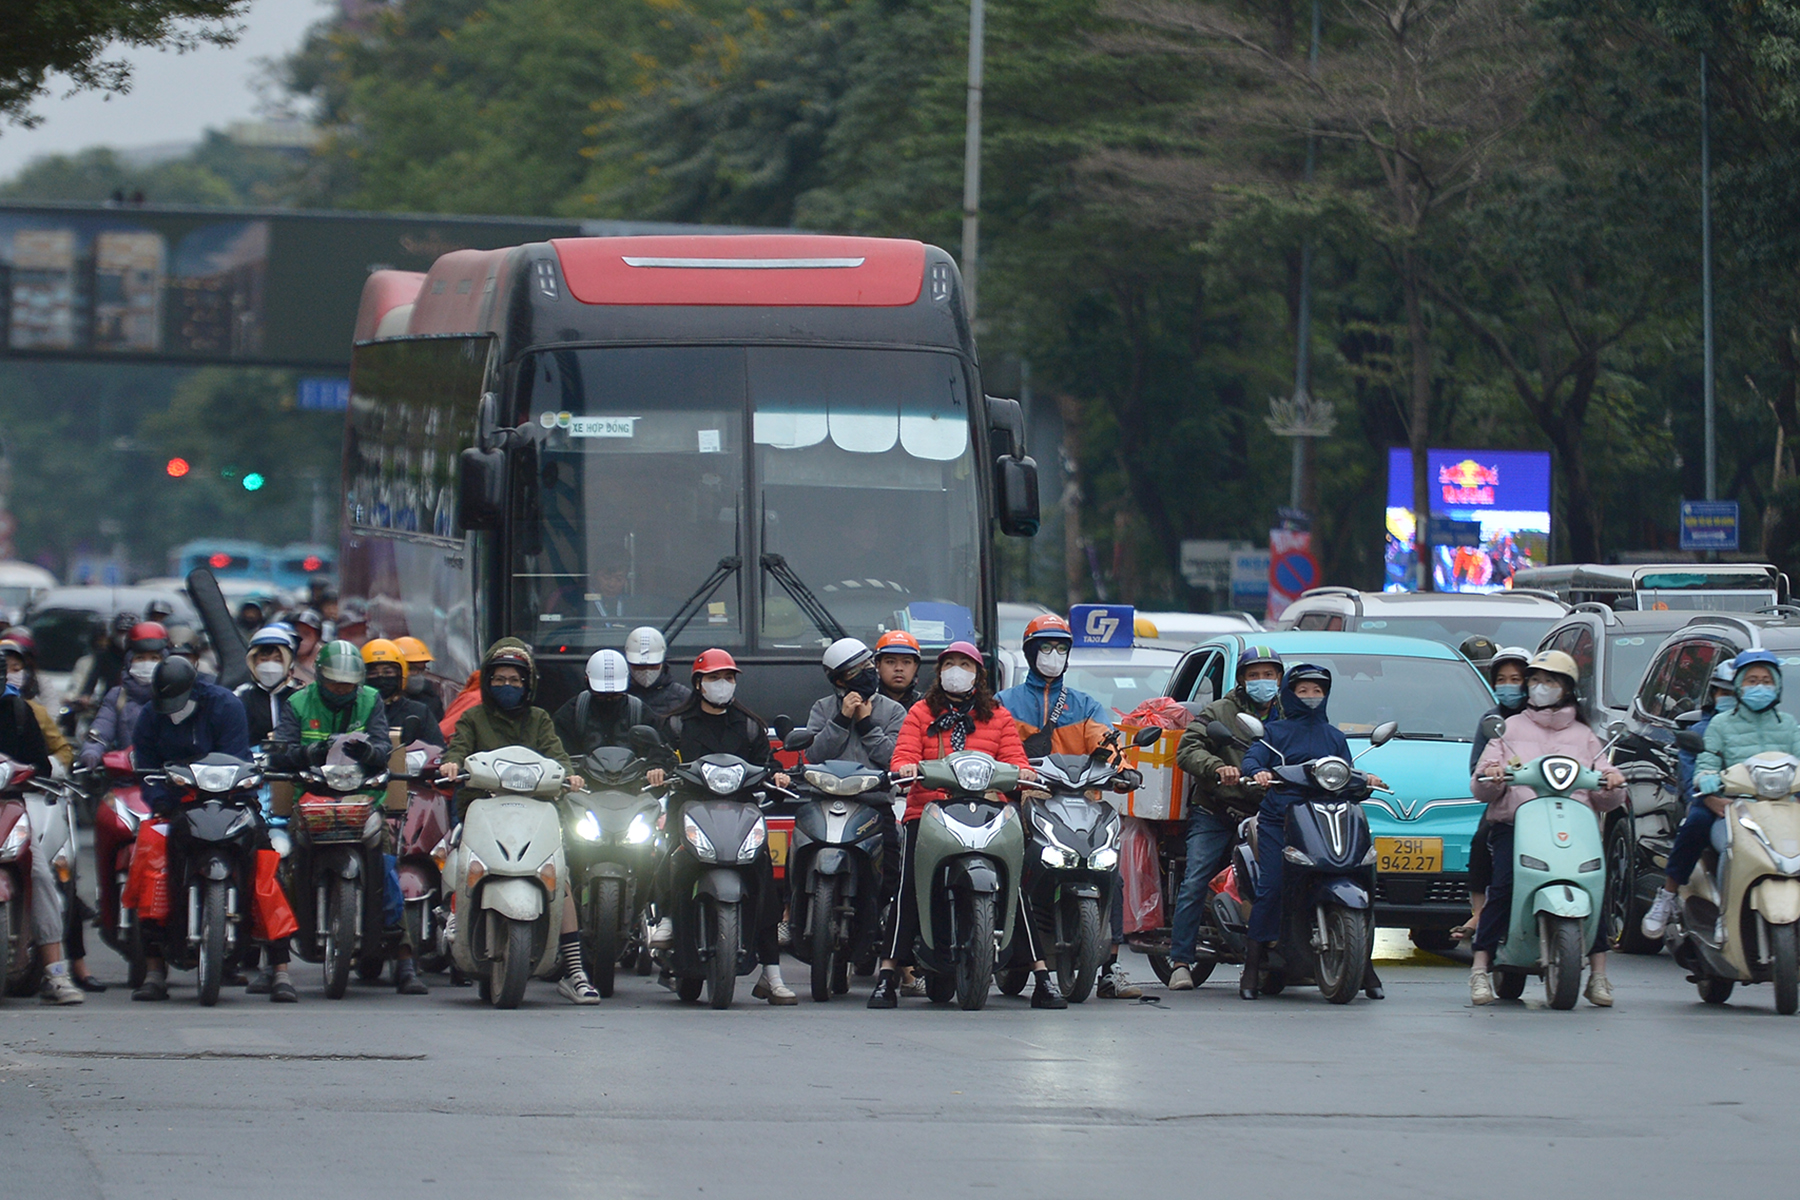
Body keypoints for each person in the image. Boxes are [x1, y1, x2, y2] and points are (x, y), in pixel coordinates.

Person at [868, 642, 1067, 1009]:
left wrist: (1023, 773)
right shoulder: (920, 713)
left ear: (979, 675)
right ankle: (887, 973)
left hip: (989, 812)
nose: (956, 671)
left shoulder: (998, 716)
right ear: (939, 672)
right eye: (950, 664)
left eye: (965, 665)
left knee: (1015, 886)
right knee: (908, 885)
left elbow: (1014, 759)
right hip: (928, 812)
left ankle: (1041, 975)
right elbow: (904, 755)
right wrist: (908, 768)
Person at [435, 638, 600, 1004]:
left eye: (514, 680)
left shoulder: (540, 719)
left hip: (534, 810)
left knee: (561, 879)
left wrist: (570, 776)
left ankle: (575, 971)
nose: (506, 687)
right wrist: (452, 763)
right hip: (482, 804)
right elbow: (458, 748)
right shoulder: (473, 717)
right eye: (499, 679)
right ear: (487, 681)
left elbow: (557, 757)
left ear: (528, 685)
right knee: (461, 857)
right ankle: (454, 910)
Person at [270, 641, 430, 997]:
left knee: (388, 866)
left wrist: (370, 753)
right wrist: (308, 752)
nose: (342, 689)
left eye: (348, 683)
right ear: (321, 678)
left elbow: (383, 748)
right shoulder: (296, 703)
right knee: (283, 869)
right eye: (335, 682)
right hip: (310, 801)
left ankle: (404, 960)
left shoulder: (370, 700)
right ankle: (276, 962)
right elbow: (279, 755)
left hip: (363, 801)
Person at [1468, 650, 1626, 1007]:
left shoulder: (1585, 735)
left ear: (1566, 689)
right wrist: (1492, 776)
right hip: (1517, 822)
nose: (1540, 688)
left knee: (1595, 886)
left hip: (1575, 825)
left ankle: (1599, 974)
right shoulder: (1508, 729)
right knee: (1505, 884)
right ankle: (1480, 967)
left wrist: (1613, 782)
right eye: (1535, 681)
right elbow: (1480, 784)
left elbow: (1604, 789)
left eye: (1550, 681)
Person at [995, 613, 1141, 999]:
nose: (1053, 655)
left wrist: (1123, 770)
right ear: (1030, 653)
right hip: (1021, 801)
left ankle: (1109, 968)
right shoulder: (1005, 703)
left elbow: (1106, 743)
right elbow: (991, 746)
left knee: (1111, 872)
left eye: (1061, 648)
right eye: (1046, 647)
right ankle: (994, 942)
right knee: (1008, 861)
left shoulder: (1084, 705)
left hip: (1078, 802)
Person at [642, 648, 796, 1004]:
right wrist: (657, 770)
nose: (722, 685)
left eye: (728, 678)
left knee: (762, 876)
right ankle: (665, 916)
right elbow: (659, 756)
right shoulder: (676, 723)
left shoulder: (748, 724)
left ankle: (771, 974)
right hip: (690, 808)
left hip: (741, 811)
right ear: (698, 683)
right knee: (670, 855)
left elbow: (766, 763)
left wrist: (778, 776)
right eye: (714, 678)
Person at [1242, 664, 1390, 1002]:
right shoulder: (1274, 732)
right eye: (1303, 690)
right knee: (1273, 887)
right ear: (1290, 694)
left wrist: (1365, 779)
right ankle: (1252, 965)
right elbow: (1253, 759)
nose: (1311, 697)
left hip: (1328, 818)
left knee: (1362, 874)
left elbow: (1347, 772)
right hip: (1283, 817)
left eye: (1318, 691)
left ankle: (1362, 961)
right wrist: (1258, 772)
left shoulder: (1334, 736)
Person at [1643, 651, 1800, 939]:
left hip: (1782, 809)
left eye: (1766, 680)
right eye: (1752, 680)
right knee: (1724, 842)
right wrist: (1709, 782)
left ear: (1777, 685)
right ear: (1740, 685)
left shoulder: (1789, 725)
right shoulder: (1720, 724)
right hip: (1735, 808)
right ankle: (1711, 911)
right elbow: (1704, 766)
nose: (1759, 686)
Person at [129, 657, 256, 1001]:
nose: (172, 710)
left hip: (227, 801)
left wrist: (229, 792)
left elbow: (236, 756)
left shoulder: (225, 705)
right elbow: (145, 763)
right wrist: (161, 800)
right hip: (174, 808)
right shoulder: (151, 714)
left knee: (264, 858)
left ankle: (277, 963)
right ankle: (154, 968)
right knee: (149, 864)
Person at [1166, 646, 1284, 990]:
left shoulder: (1289, 714)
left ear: (1279, 678)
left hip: (1268, 813)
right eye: (1254, 675)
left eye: (1269, 675)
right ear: (1242, 680)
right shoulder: (1218, 711)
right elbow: (1188, 749)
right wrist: (1218, 768)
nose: (1262, 682)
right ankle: (1181, 961)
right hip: (1217, 811)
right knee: (1195, 880)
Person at [1, 663, 83, 1003]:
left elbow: (42, 763)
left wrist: (26, 772)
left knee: (39, 873)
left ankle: (55, 972)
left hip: (9, 806)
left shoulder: (20, 711)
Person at [1451, 646, 1533, 943]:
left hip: (1548, 801)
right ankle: (1479, 911)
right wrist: (1496, 773)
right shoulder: (1492, 720)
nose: (1509, 685)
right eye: (1502, 679)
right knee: (1482, 837)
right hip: (1507, 801)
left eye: (1516, 678)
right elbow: (1477, 767)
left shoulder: (1547, 718)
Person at [80, 622, 169, 771]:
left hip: (171, 780)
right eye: (140, 658)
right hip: (126, 777)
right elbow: (101, 730)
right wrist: (91, 751)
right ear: (129, 662)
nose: (147, 664)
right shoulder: (118, 696)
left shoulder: (180, 695)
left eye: (154, 658)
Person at [554, 649, 651, 758]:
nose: (608, 699)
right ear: (587, 681)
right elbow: (558, 754)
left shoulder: (640, 712)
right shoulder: (571, 713)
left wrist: (656, 767)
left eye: (615, 695)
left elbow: (658, 751)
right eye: (601, 695)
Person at [362, 639, 445, 748]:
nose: (381, 678)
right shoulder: (356, 711)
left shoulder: (419, 711)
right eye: (373, 673)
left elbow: (438, 751)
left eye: (388, 672)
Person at [234, 625, 301, 748]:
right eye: (264, 660)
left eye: (277, 660)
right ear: (252, 662)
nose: (270, 667)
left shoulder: (300, 696)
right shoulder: (240, 696)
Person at [623, 626, 693, 717]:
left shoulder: (682, 697)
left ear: (661, 663)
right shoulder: (618, 696)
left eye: (652, 666)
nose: (646, 671)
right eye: (639, 667)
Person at [394, 636, 445, 722]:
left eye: (421, 670)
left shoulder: (431, 700)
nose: (416, 675)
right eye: (411, 669)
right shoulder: (379, 700)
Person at [873, 630, 924, 708]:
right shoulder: (865, 703)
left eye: (906, 662)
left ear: (915, 667)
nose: (899, 668)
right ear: (878, 665)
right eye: (890, 662)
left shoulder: (927, 706)